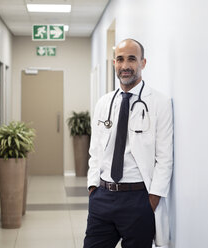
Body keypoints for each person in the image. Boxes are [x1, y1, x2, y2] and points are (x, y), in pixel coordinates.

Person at [84, 39, 173, 248]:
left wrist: (151, 201)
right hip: (102, 197)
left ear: (143, 63)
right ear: (114, 63)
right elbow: (95, 151)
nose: (125, 66)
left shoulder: (159, 103)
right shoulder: (104, 102)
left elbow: (165, 158)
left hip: (138, 200)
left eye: (131, 59)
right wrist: (92, 187)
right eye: (120, 59)